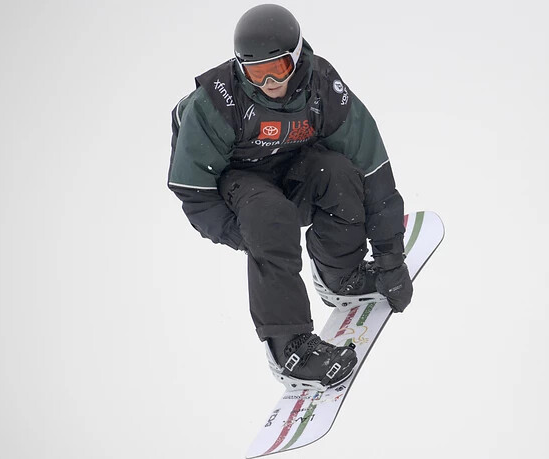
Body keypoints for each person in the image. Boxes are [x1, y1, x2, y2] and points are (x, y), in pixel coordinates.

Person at [167, 4, 413, 389]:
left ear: (296, 58)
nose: (267, 84)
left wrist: (390, 256)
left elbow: (372, 168)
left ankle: (341, 273)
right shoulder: (216, 102)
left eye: (276, 70)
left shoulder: (321, 87)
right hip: (241, 186)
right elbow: (193, 190)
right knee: (270, 216)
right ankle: (290, 348)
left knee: (339, 173)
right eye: (255, 73)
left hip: (296, 172)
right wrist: (245, 233)